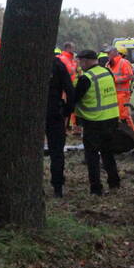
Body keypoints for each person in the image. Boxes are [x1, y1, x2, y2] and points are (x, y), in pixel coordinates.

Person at [72, 49, 134, 194]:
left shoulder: (86, 78)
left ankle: (96, 188)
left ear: (86, 61)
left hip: (94, 122)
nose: (79, 64)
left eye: (80, 61)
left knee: (92, 157)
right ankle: (114, 182)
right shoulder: (107, 72)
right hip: (111, 119)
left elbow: (74, 99)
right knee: (107, 153)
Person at [47, 50, 75, 198]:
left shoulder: (30, 64)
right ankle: (58, 186)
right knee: (57, 151)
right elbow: (70, 90)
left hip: (33, 113)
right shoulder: (58, 65)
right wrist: (67, 111)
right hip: (54, 112)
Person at [107, 47, 134, 132]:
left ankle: (133, 134)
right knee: (114, 115)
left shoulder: (124, 62)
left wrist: (115, 80)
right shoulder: (108, 64)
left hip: (122, 94)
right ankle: (120, 133)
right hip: (111, 94)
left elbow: (130, 76)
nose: (107, 55)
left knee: (124, 116)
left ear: (115, 53)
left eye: (109, 53)